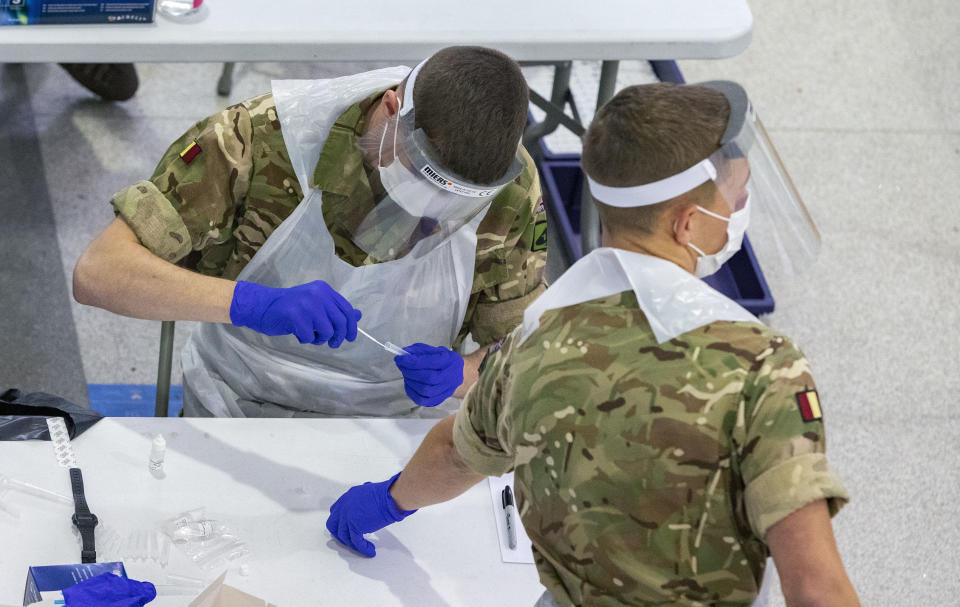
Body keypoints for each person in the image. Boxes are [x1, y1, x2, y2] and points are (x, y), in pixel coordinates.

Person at [325, 82, 859, 606]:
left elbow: (456, 452)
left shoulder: (534, 342)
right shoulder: (762, 370)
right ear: (689, 223)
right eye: (737, 196)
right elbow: (815, 587)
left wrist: (388, 502)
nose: (743, 208)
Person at [73, 46, 547, 417]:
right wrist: (252, 305)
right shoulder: (259, 138)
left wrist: (464, 375)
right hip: (241, 401)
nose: (432, 205)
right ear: (391, 108)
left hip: (398, 421)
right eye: (423, 173)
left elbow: (527, 348)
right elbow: (98, 274)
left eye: (457, 198)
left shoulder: (511, 187)